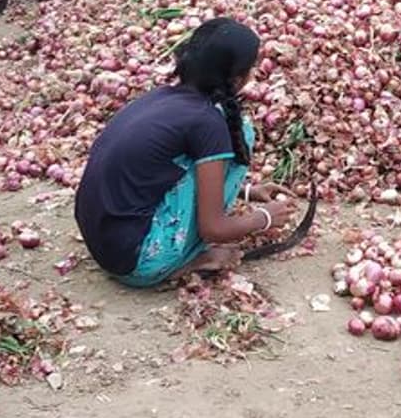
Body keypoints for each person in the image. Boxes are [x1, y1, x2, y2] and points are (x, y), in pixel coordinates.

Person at [74, 18, 296, 287]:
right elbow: (213, 228)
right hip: (137, 263)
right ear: (236, 79)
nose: (254, 73)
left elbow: (155, 170)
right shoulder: (209, 122)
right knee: (241, 131)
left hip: (102, 242)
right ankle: (188, 262)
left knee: (228, 134)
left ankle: (168, 251)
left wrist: (246, 192)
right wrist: (266, 218)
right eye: (251, 68)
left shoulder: (162, 96)